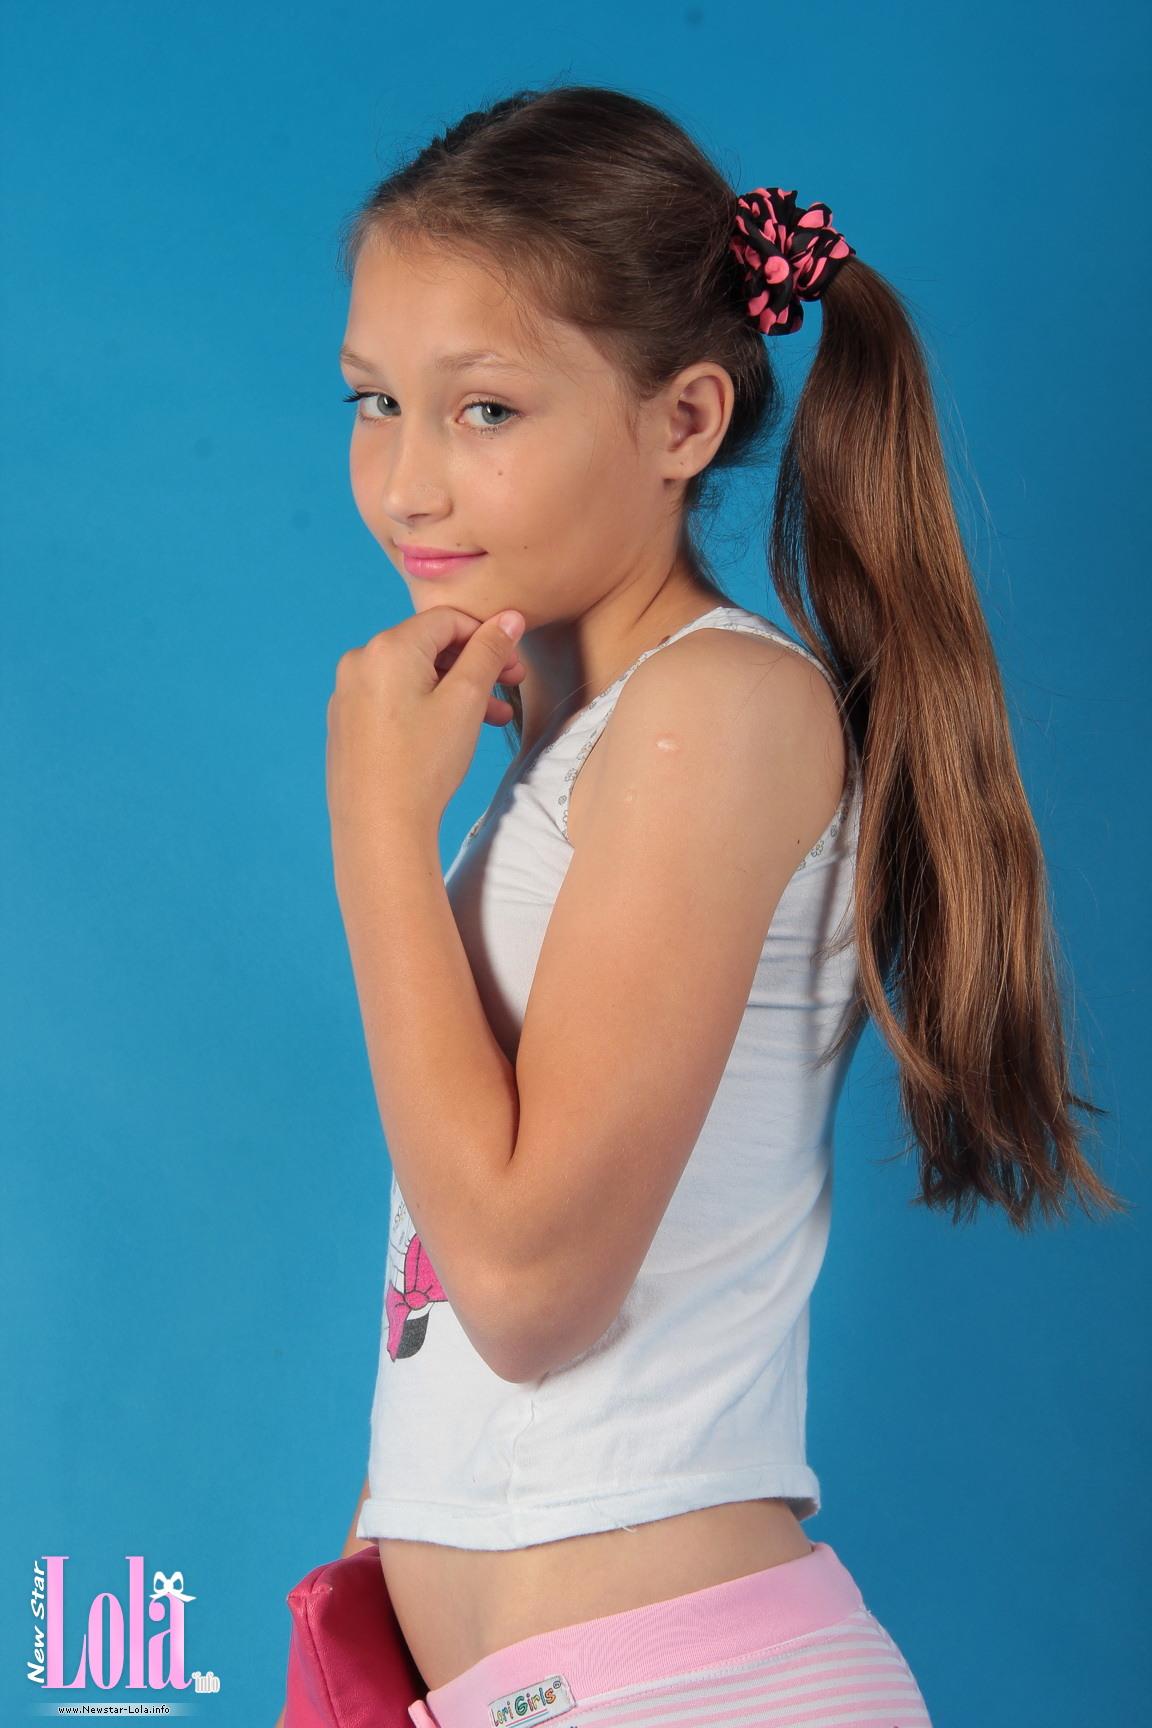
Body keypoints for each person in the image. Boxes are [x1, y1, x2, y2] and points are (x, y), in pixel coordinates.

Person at [280, 83, 1128, 1728]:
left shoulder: (714, 712)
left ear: (680, 423)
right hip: (524, 1688)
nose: (406, 484)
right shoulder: (578, 746)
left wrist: (373, 826)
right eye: (375, 400)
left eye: (485, 409)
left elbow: (528, 1291)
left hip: (686, 1687)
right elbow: (449, 1308)